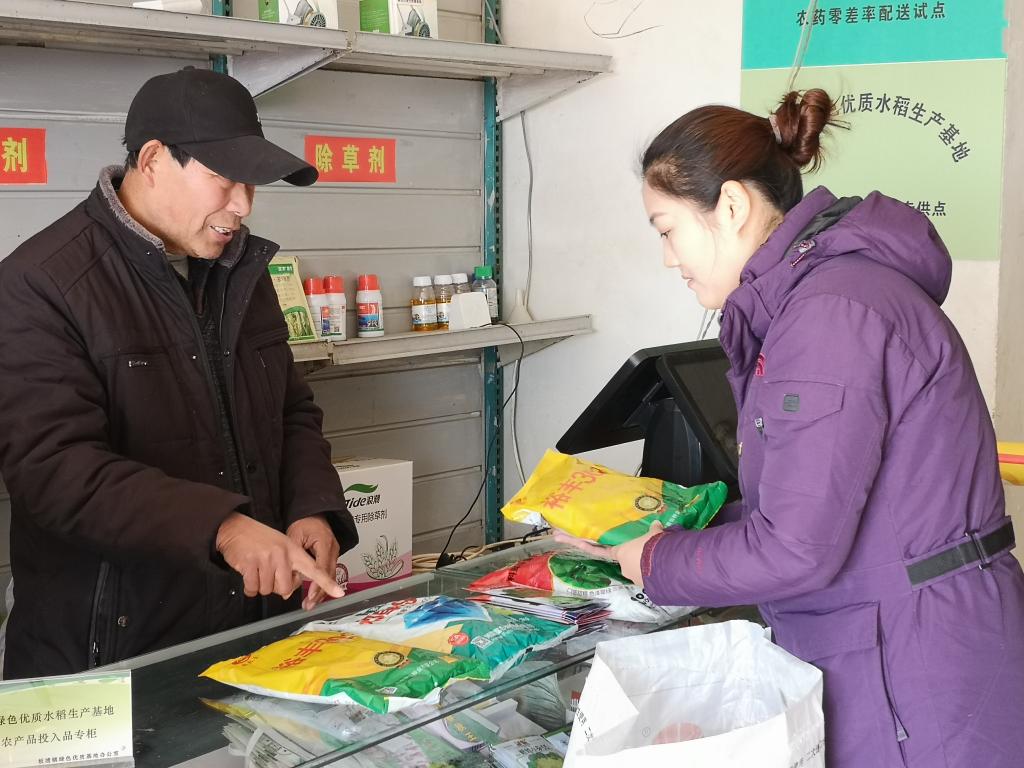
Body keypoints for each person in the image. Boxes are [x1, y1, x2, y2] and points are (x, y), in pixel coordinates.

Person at [558, 89, 1024, 766]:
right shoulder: (826, 298)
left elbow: (797, 548)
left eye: (666, 229)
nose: (668, 258)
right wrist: (666, 523)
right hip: (909, 639)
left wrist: (656, 562)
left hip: (914, 664)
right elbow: (816, 506)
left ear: (731, 207)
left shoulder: (829, 315)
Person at [0, 67, 358, 679]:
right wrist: (222, 528)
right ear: (153, 159)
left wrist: (313, 506)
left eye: (251, 183)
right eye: (224, 179)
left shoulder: (240, 270)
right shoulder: (43, 283)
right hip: (112, 650)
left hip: (252, 629)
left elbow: (291, 409)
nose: (241, 206)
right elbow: (55, 470)